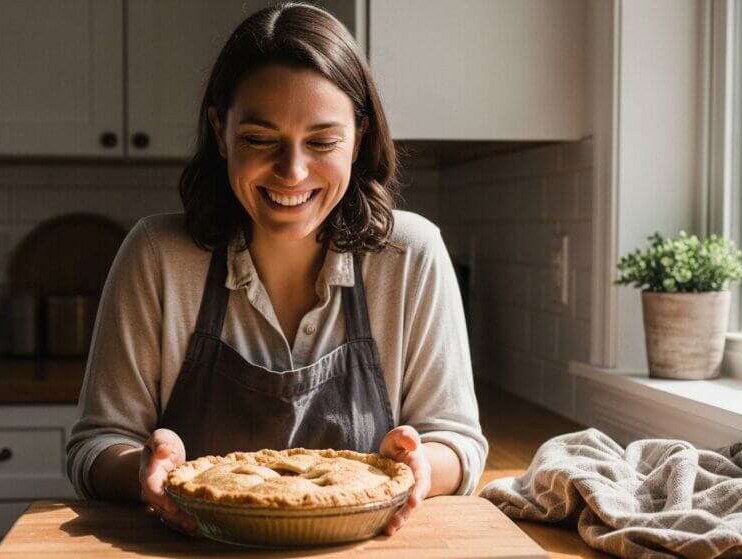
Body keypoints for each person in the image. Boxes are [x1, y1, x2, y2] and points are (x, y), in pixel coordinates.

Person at [65, 2, 488, 538]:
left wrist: (419, 466)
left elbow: (458, 441)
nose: (292, 171)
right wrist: (147, 469)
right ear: (220, 132)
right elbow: (95, 446)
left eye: (322, 141)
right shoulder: (157, 255)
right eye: (259, 140)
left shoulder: (411, 255)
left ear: (359, 136)